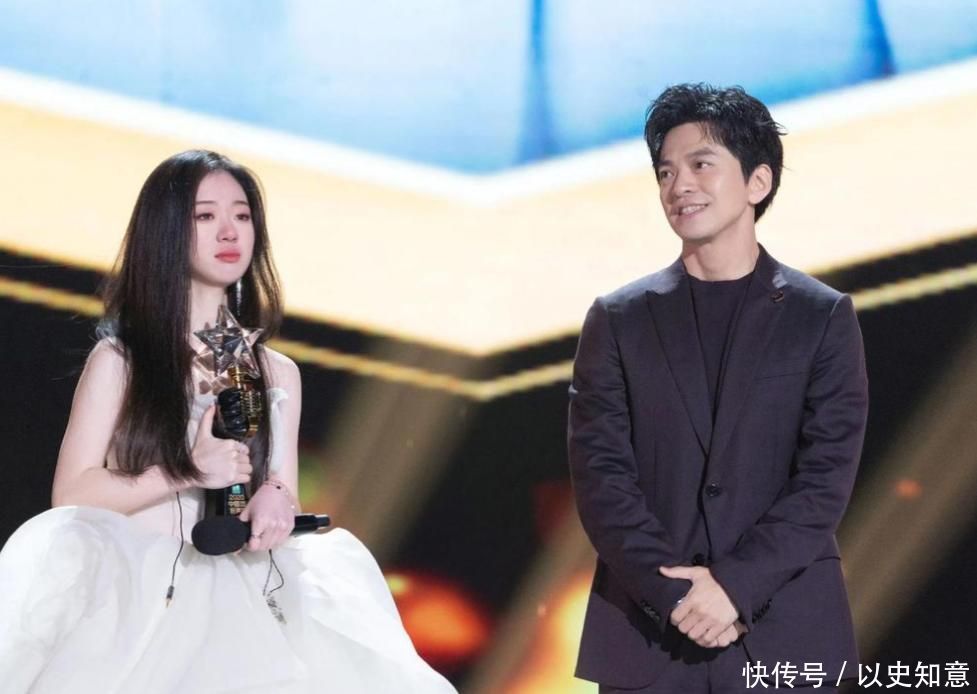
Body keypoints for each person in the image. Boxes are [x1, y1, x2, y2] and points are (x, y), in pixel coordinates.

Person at [0, 150, 457, 694]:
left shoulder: (275, 371)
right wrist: (187, 470)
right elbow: (72, 494)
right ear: (167, 231)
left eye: (242, 215)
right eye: (205, 215)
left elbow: (282, 482)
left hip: (242, 599)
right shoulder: (122, 360)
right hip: (134, 604)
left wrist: (276, 503)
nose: (229, 231)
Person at [568, 84, 868, 693]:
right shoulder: (618, 319)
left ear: (758, 182)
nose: (679, 185)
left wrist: (734, 586)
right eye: (665, 172)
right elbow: (602, 478)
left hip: (785, 635)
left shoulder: (820, 316)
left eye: (701, 164)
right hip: (651, 637)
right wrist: (679, 596)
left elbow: (824, 479)